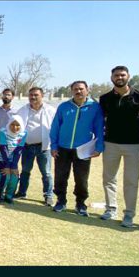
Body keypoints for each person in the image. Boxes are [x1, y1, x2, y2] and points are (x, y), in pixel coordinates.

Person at [99, 66, 139, 227]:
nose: (119, 77)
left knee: (131, 181)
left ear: (128, 76)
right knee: (109, 179)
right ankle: (110, 209)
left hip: (133, 145)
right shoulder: (105, 98)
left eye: (122, 75)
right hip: (111, 144)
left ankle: (129, 214)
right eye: (116, 75)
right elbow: (102, 120)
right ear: (111, 77)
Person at [50, 81, 104, 216]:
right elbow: (55, 127)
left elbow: (99, 128)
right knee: (60, 176)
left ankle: (80, 204)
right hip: (63, 148)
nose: (78, 91)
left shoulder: (94, 107)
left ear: (87, 90)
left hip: (83, 149)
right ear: (72, 91)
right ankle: (60, 201)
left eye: (81, 89)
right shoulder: (64, 107)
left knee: (81, 178)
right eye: (75, 89)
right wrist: (54, 145)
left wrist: (99, 147)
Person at [15, 87, 56, 206]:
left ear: (42, 96)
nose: (33, 97)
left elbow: (56, 128)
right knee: (25, 171)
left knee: (46, 173)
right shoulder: (23, 109)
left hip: (44, 147)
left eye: (36, 95)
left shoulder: (51, 110)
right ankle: (22, 192)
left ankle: (48, 196)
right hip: (27, 146)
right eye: (31, 95)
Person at [0, 115, 27, 204]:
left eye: (17, 125)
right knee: (5, 175)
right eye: (12, 124)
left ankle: (9, 196)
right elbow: (3, 149)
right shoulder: (3, 132)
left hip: (12, 158)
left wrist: (14, 166)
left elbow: (18, 150)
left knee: (15, 176)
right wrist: (7, 166)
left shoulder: (24, 133)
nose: (15, 127)